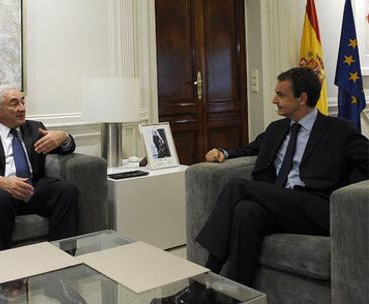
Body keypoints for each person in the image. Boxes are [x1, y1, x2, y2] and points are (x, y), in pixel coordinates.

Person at [151, 67, 369, 304]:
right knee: (247, 212)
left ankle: (198, 287)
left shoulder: (338, 130)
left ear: (302, 98)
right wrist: (223, 152)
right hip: (280, 205)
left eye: (281, 94)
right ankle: (235, 297)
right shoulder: (278, 128)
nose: (274, 100)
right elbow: (251, 148)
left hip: (316, 207)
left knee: (238, 187)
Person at [0, 84, 80, 254]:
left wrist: (63, 136)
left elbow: (67, 148)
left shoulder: (34, 128)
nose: (22, 108)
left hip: (31, 188)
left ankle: (62, 260)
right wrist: (1, 182)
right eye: (14, 103)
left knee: (66, 190)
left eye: (23, 102)